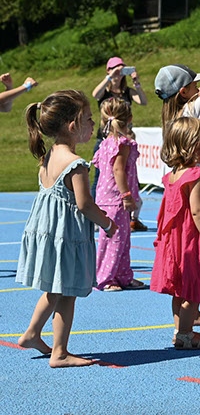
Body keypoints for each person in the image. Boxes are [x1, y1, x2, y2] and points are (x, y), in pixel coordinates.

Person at [16, 90, 117, 367]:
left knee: (54, 288)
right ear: (73, 126)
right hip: (66, 235)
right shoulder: (76, 164)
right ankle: (59, 353)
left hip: (50, 232)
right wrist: (108, 224)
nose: (93, 124)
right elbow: (85, 205)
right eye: (89, 119)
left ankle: (32, 333)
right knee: (67, 291)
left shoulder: (48, 157)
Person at [150, 117, 200, 349]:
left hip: (175, 241)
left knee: (179, 290)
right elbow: (198, 211)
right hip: (190, 240)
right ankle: (186, 334)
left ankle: (180, 331)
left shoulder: (173, 176)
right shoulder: (195, 176)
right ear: (194, 148)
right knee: (193, 289)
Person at [92, 98, 145, 291]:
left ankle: (123, 276)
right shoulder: (122, 144)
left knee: (123, 239)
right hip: (115, 199)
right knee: (113, 240)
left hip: (107, 197)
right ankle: (105, 279)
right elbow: (118, 170)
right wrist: (126, 195)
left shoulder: (106, 143)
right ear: (129, 118)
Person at [90, 57, 148, 233]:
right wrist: (110, 77)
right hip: (105, 139)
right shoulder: (105, 92)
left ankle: (129, 215)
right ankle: (95, 215)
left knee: (127, 173)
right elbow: (95, 94)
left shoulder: (127, 92)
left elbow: (143, 101)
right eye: (115, 68)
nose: (119, 72)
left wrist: (136, 83)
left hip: (124, 138)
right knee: (101, 176)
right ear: (108, 70)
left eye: (121, 69)